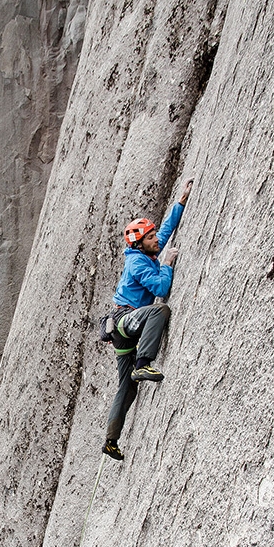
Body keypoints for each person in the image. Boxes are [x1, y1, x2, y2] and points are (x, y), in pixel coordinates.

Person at [102, 178, 194, 461]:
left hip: (123, 328)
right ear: (140, 244)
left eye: (153, 236)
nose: (157, 240)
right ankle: (144, 364)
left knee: (126, 386)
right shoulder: (138, 262)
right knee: (160, 310)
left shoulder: (144, 251)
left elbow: (165, 232)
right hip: (124, 320)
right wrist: (166, 264)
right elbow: (161, 290)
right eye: (150, 238)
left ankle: (110, 441)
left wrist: (180, 201)